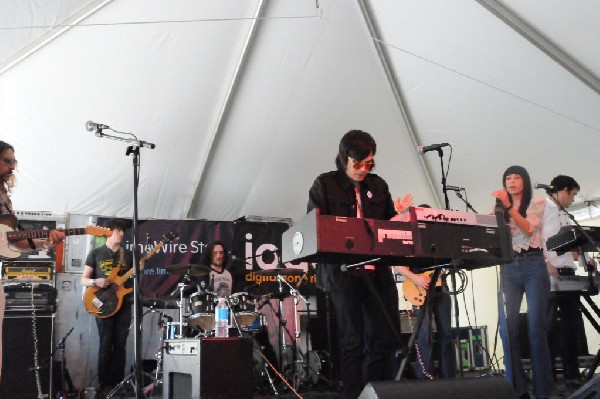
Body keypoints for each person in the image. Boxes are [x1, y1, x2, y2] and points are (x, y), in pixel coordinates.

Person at [307, 130, 405, 398]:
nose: (363, 170)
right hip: (343, 274)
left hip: (378, 274)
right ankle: (353, 394)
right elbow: (315, 228)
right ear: (344, 158)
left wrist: (402, 218)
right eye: (358, 163)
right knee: (351, 341)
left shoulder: (379, 185)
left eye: (369, 163)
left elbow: (390, 228)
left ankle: (377, 393)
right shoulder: (324, 184)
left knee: (382, 340)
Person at [0, 140, 65, 382]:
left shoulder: (4, 197)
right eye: (8, 161)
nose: (13, 167)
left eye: (14, 161)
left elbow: (14, 241)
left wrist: (47, 241)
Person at [492, 165, 553, 399]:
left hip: (533, 264)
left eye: (517, 177)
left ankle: (543, 390)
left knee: (536, 328)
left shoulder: (537, 201)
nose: (512, 181)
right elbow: (487, 229)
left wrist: (509, 207)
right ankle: (516, 390)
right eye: (508, 177)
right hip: (507, 267)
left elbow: (528, 229)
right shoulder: (498, 208)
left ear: (525, 181)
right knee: (508, 330)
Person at [394, 206, 455, 380]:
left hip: (441, 289)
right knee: (423, 335)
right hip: (419, 288)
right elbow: (398, 265)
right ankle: (425, 378)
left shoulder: (439, 239)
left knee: (447, 335)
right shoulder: (409, 238)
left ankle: (448, 378)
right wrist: (416, 277)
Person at [542, 175, 591, 387]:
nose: (573, 200)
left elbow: (575, 242)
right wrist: (545, 263)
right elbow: (533, 238)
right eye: (572, 195)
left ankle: (571, 374)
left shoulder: (565, 214)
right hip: (550, 273)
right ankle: (548, 375)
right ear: (563, 191)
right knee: (548, 326)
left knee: (572, 325)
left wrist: (586, 260)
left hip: (568, 273)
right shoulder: (542, 208)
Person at [81, 218, 133, 396]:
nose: (122, 233)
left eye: (123, 231)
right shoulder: (95, 253)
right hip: (102, 304)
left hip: (123, 304)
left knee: (120, 345)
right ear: (109, 232)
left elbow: (131, 280)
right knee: (105, 344)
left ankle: (118, 383)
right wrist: (96, 281)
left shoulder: (128, 255)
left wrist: (139, 268)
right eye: (118, 230)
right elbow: (83, 279)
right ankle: (104, 385)